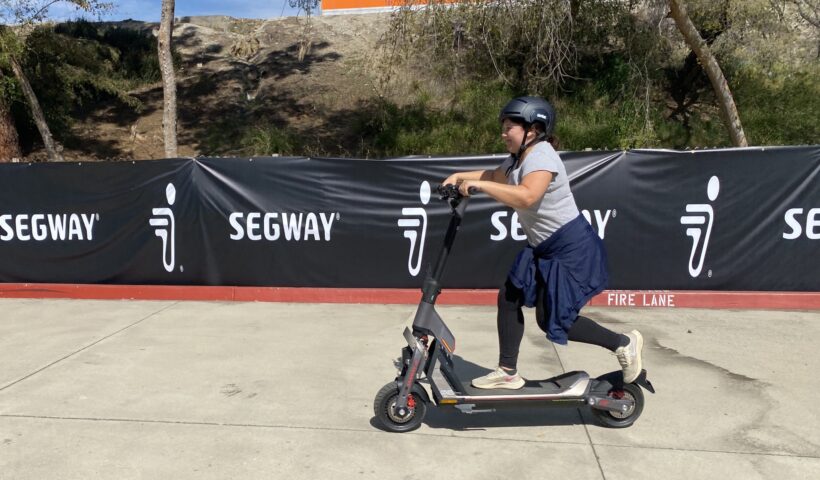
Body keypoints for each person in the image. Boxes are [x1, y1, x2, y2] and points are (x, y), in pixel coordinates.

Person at [443, 96, 644, 389]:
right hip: (544, 247)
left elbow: (527, 195)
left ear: (532, 130)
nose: (503, 133)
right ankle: (507, 372)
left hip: (571, 248)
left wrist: (481, 186)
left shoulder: (542, 155)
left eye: (509, 127)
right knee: (510, 295)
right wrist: (461, 175)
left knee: (556, 320)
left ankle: (623, 344)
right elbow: (494, 175)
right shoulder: (517, 159)